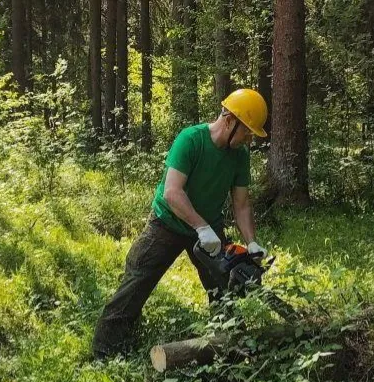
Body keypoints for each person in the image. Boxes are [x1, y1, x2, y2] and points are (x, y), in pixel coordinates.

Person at [92, 88, 270, 359]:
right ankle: (104, 353)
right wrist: (200, 227)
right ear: (230, 121)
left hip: (208, 228)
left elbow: (242, 204)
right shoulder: (191, 140)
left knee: (224, 287)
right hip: (168, 222)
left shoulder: (240, 156)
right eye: (247, 131)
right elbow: (172, 192)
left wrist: (251, 242)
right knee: (137, 280)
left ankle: (230, 347)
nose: (249, 138)